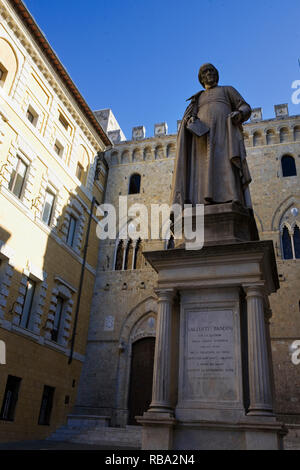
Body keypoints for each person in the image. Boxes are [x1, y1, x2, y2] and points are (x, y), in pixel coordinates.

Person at [171, 63, 252, 208]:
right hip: (202, 140)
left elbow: (245, 107)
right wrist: (190, 121)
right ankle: (201, 201)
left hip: (224, 135)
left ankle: (232, 198)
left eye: (212, 70)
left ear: (217, 74)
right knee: (203, 170)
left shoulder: (227, 90)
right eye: (205, 72)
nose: (209, 73)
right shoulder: (198, 98)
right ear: (201, 78)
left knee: (226, 165)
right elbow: (190, 116)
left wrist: (239, 114)